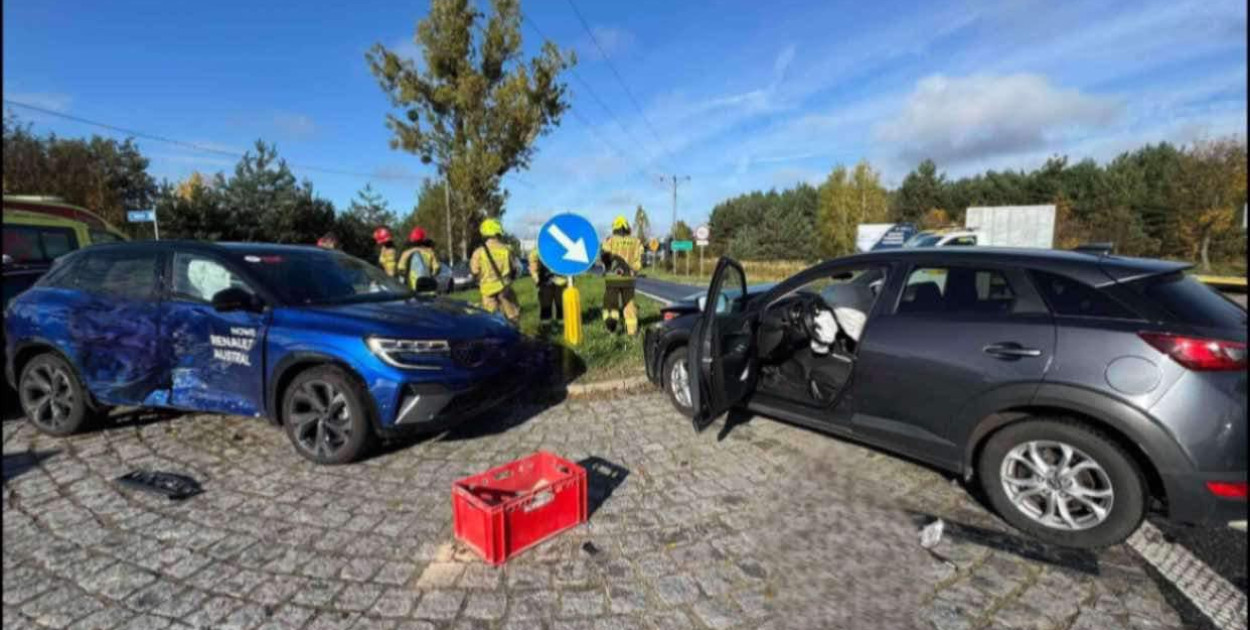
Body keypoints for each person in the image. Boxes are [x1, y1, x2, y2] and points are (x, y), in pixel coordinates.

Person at [469, 218, 520, 324]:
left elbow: (474, 271)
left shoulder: (479, 252)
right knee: (513, 317)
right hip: (505, 288)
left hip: (487, 289)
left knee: (492, 320)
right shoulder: (507, 250)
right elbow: (515, 268)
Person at [601, 215, 644, 335]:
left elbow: (605, 257)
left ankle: (611, 327)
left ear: (615, 227)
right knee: (630, 305)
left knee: (611, 304)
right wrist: (633, 270)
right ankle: (632, 331)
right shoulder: (636, 242)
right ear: (627, 227)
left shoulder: (610, 241)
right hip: (628, 279)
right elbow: (640, 261)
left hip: (612, 279)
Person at [529, 246, 565, 327]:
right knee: (546, 306)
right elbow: (533, 263)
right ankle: (546, 327)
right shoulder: (539, 248)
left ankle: (562, 325)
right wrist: (536, 278)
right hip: (545, 281)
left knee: (561, 305)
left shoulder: (561, 245)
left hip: (561, 281)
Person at [398, 227, 441, 291]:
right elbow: (437, 268)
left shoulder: (406, 253)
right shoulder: (430, 252)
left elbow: (401, 268)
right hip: (427, 285)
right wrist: (431, 275)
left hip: (412, 287)